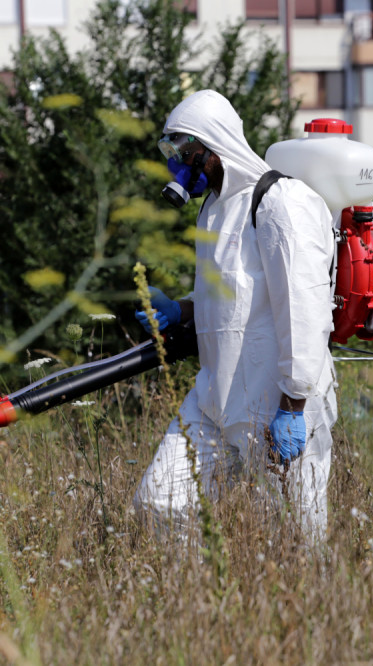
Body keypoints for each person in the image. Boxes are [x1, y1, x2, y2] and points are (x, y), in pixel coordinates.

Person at [132, 90, 338, 542]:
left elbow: (305, 308)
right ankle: (200, 607)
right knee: (158, 502)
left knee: (295, 540)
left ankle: (306, 610)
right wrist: (181, 310)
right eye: (174, 152)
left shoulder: (280, 201)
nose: (180, 164)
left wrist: (294, 403)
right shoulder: (214, 209)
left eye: (186, 152)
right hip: (215, 402)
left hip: (276, 405)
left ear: (215, 144)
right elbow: (233, 292)